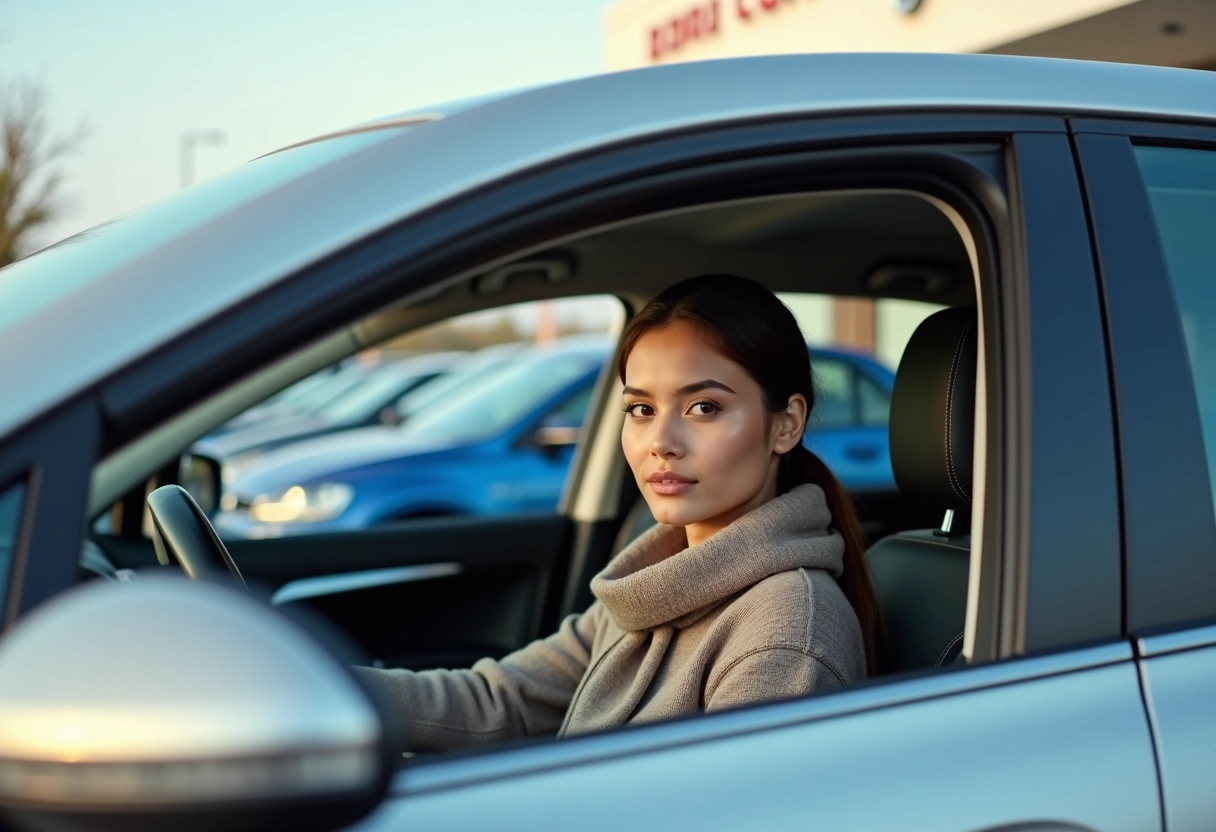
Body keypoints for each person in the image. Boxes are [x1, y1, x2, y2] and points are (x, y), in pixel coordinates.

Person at [356, 274, 879, 750]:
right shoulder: (652, 582)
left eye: (704, 407)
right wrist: (323, 692)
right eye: (641, 409)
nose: (661, 442)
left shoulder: (787, 636)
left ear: (786, 424)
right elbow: (502, 703)